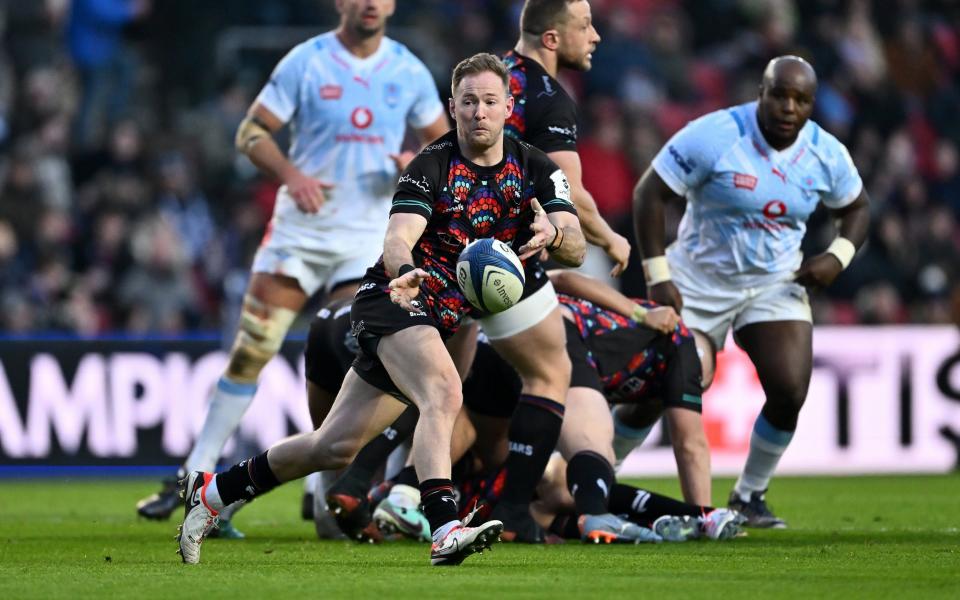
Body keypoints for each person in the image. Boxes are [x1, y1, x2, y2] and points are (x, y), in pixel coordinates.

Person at [176, 52, 585, 566]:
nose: (479, 112)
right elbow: (398, 237)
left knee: (333, 447)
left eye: (489, 102)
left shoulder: (536, 168)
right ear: (451, 108)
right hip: (393, 300)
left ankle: (212, 494)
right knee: (444, 390)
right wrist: (404, 268)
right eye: (468, 102)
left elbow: (574, 244)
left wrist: (555, 232)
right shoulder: (431, 166)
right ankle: (444, 527)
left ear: (508, 106)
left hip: (440, 316)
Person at [136, 0, 448, 525]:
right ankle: (194, 475)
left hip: (366, 238)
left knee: (347, 351)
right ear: (340, 3)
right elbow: (250, 133)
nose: (371, 4)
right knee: (252, 349)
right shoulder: (306, 61)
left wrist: (411, 162)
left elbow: (442, 145)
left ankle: (323, 484)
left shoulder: (408, 69)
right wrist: (291, 175)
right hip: (300, 233)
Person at [633, 56, 871, 527]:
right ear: (760, 91)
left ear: (811, 104)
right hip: (696, 283)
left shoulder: (826, 152)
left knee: (789, 388)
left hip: (773, 283)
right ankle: (591, 483)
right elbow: (648, 194)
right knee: (660, 388)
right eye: (779, 95)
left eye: (800, 100)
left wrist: (836, 256)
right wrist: (658, 274)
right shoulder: (716, 135)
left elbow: (858, 208)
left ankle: (749, 496)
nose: (788, 107)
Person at [476, 0, 631, 543]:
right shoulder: (548, 98)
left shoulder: (488, 78)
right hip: (504, 265)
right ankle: (517, 507)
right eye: (584, 26)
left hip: (453, 246)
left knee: (441, 390)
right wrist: (608, 237)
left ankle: (382, 490)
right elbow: (570, 197)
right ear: (550, 38)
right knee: (551, 373)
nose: (595, 36)